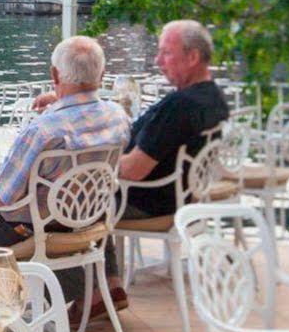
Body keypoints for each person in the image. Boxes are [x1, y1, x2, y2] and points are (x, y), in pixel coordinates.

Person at [84, 21, 227, 312]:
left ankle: (95, 290)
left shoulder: (181, 106)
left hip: (148, 202)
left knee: (72, 202)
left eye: (165, 53)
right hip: (181, 196)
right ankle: (109, 284)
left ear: (192, 57)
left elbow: (134, 169)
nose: (157, 61)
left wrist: (93, 163)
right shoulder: (213, 99)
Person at [0, 36, 129, 261]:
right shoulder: (117, 116)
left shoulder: (43, 131)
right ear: (102, 75)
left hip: (26, 230)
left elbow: (2, 198)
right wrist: (60, 101)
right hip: (84, 221)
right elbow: (84, 112)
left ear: (54, 75)